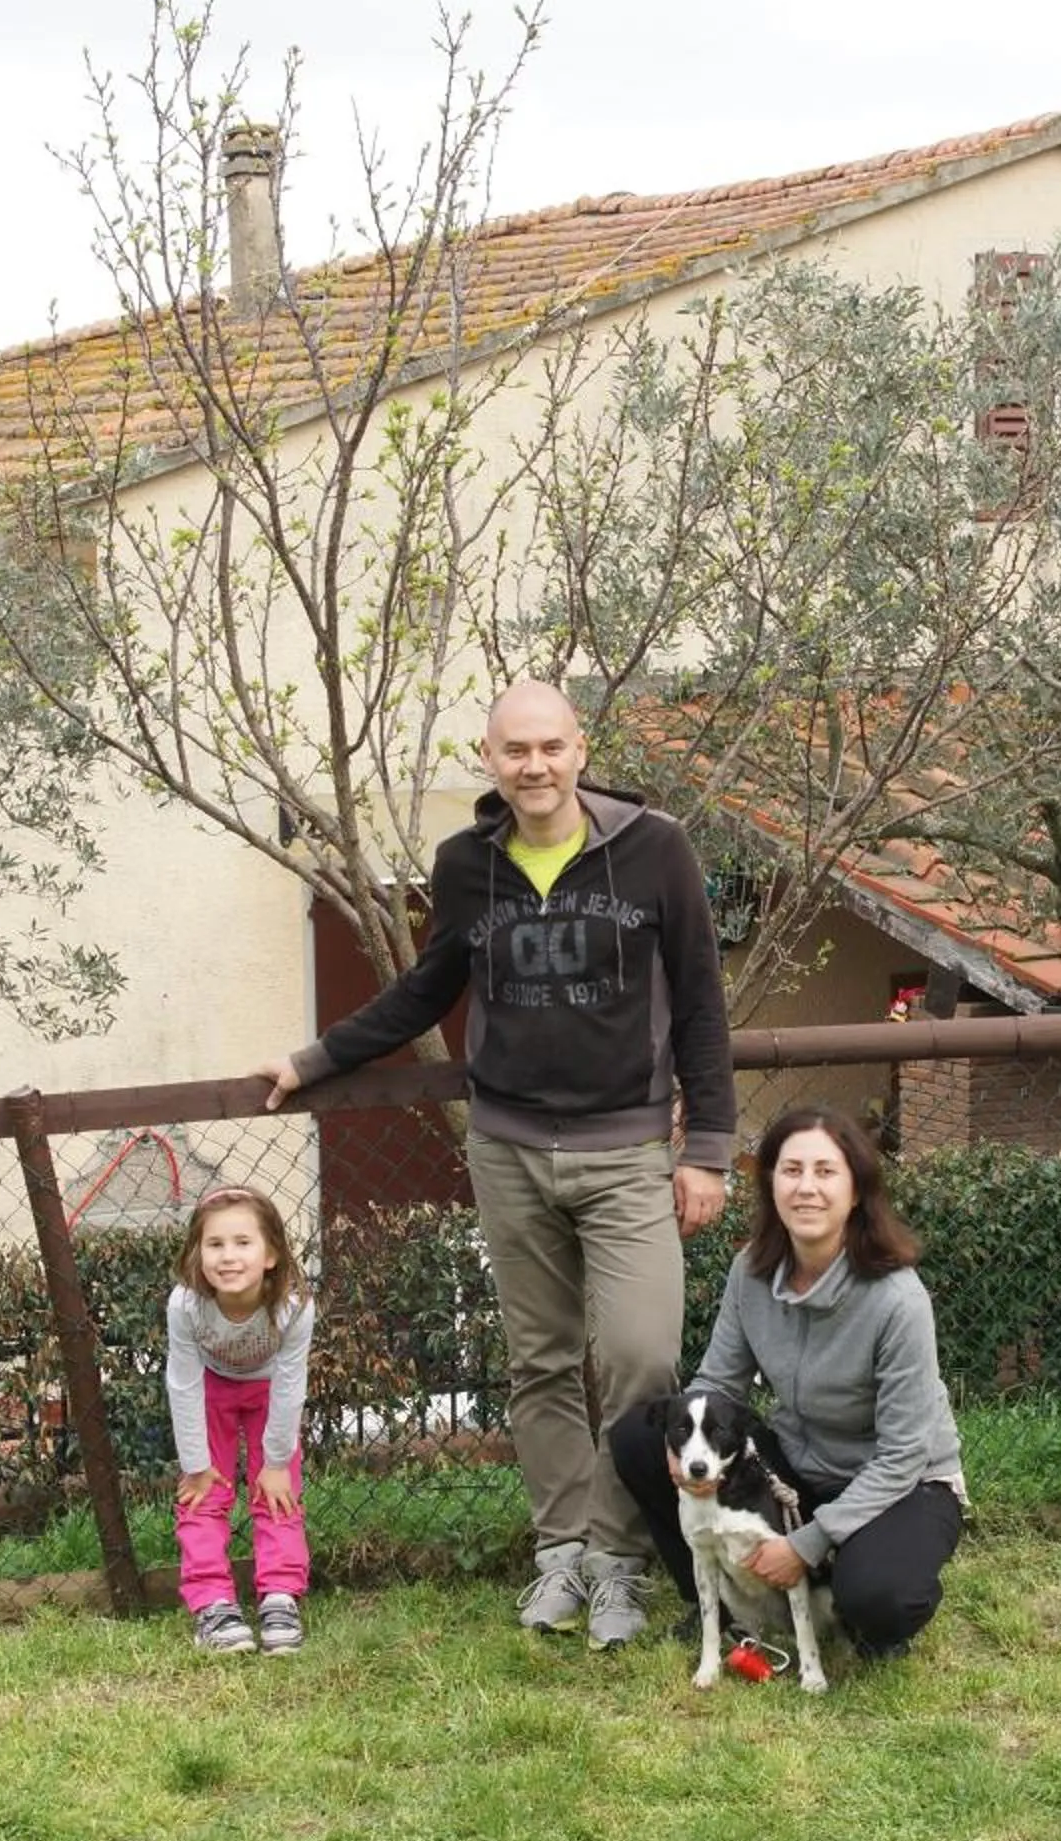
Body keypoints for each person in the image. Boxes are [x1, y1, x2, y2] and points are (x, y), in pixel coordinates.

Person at [254, 680, 734, 1646]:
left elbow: (699, 1005)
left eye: (552, 747)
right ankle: (562, 1556)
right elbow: (428, 988)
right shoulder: (467, 864)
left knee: (640, 1361)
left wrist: (711, 1149)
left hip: (627, 1150)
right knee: (541, 1363)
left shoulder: (654, 850)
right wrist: (314, 1058)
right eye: (517, 751)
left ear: (580, 747)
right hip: (508, 1150)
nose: (537, 767)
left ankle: (619, 1562)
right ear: (491, 759)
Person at [607, 1105, 965, 1663]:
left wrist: (807, 1544)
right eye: (791, 1170)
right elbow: (716, 1387)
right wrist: (685, 1453)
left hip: (905, 1483)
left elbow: (903, 1454)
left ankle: (869, 1606)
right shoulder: (751, 1272)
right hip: (798, 1470)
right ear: (770, 1181)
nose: (806, 1188)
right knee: (639, 1436)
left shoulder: (898, 1299)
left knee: (878, 1596)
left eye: (826, 1172)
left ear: (856, 1191)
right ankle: (717, 1611)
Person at [165, 1185, 316, 1656]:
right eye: (215, 1244)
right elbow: (183, 1383)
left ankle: (279, 1597)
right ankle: (213, 1604)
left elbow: (291, 1386)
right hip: (211, 1389)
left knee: (277, 1492)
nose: (228, 1257)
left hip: (270, 1391)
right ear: (197, 1253)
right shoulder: (186, 1305)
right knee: (204, 1491)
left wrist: (274, 1461)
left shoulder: (293, 1306)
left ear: (271, 1254)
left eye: (243, 1243)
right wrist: (195, 1461)